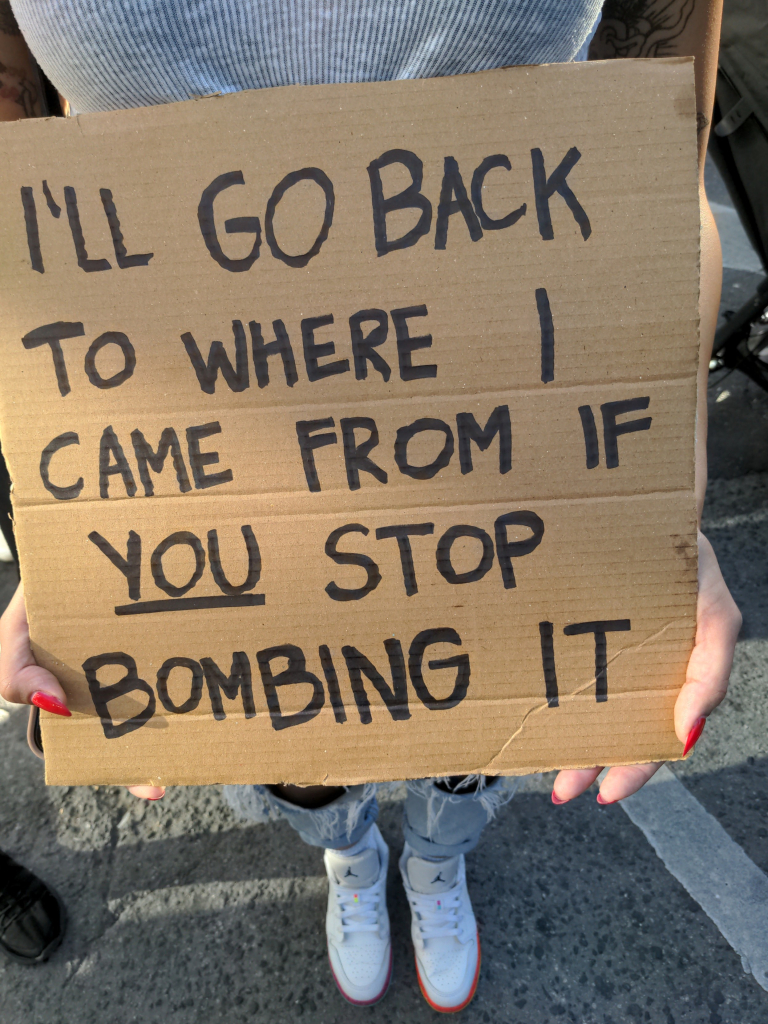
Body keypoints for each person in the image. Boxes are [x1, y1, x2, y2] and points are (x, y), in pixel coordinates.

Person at [0, 0, 742, 1010]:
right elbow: (19, 197)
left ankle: (438, 860)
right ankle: (348, 854)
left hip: (501, 436)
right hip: (200, 474)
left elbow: (657, 158)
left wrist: (662, 489)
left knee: (474, 724)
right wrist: (66, 521)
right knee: (294, 747)